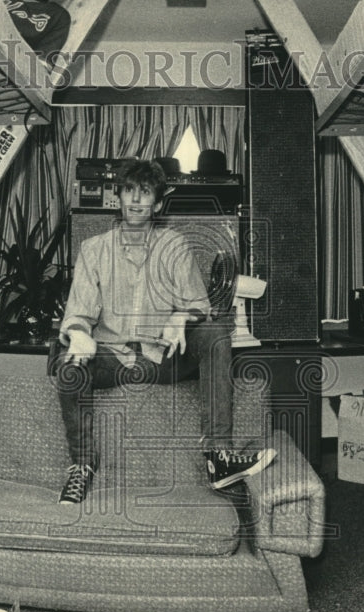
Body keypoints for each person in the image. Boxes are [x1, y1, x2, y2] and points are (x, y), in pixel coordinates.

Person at [50, 158, 276, 505]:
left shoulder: (175, 245)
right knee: (69, 364)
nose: (136, 200)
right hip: (115, 356)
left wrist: (181, 317)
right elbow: (78, 312)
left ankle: (218, 456)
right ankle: (81, 466)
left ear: (157, 203)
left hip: (165, 355)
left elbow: (200, 304)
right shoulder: (93, 250)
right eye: (129, 191)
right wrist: (79, 332)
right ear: (118, 197)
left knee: (216, 331)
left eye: (145, 193)